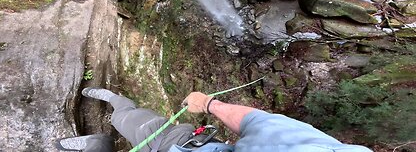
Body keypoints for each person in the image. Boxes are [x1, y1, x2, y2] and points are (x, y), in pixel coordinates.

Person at [56, 88, 373, 152]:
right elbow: (257, 122)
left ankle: (102, 145)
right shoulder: (313, 148)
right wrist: (209, 104)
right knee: (134, 121)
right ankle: (116, 103)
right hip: (183, 146)